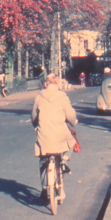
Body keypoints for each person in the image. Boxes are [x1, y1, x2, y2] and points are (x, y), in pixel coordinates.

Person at [31, 73, 78, 204]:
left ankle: (44, 188)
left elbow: (34, 115)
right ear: (58, 84)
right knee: (71, 141)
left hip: (44, 135)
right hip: (60, 133)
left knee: (43, 159)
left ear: (46, 84)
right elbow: (70, 114)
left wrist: (36, 125)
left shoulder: (39, 97)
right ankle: (64, 161)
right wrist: (73, 121)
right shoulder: (62, 96)